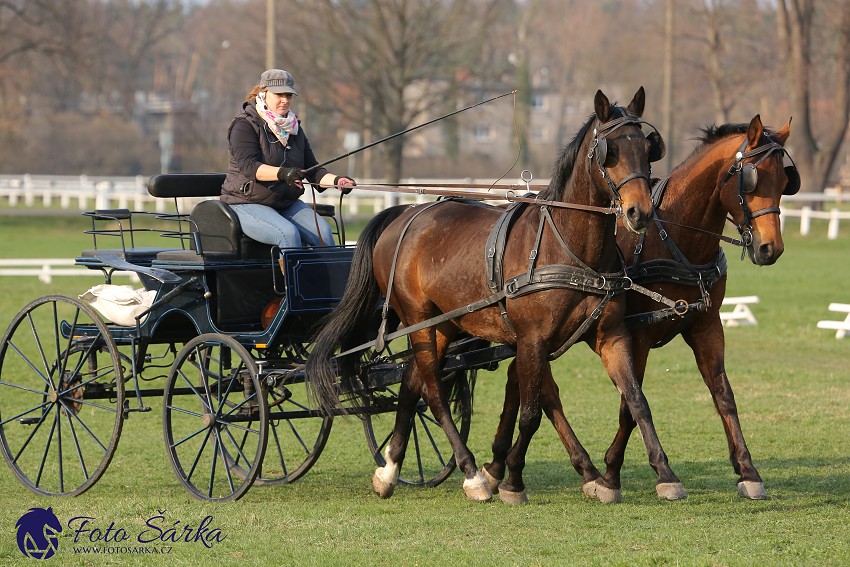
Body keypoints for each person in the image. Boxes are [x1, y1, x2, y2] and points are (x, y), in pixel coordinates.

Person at [221, 68, 356, 248]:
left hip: (285, 204)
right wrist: (284, 173)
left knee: (324, 234)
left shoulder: (294, 129)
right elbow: (250, 167)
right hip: (245, 203)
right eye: (279, 94)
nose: (285, 100)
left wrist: (338, 181)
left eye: (289, 95)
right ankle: (292, 277)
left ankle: (323, 277)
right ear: (264, 92)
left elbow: (312, 169)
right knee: (288, 235)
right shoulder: (244, 125)